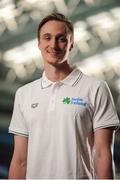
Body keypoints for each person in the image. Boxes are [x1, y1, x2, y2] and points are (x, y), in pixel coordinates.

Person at [8, 12, 120, 179]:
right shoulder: (24, 94)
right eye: (47, 37)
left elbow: (103, 155)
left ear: (71, 44)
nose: (53, 45)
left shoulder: (95, 88)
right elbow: (19, 160)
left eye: (61, 38)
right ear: (38, 43)